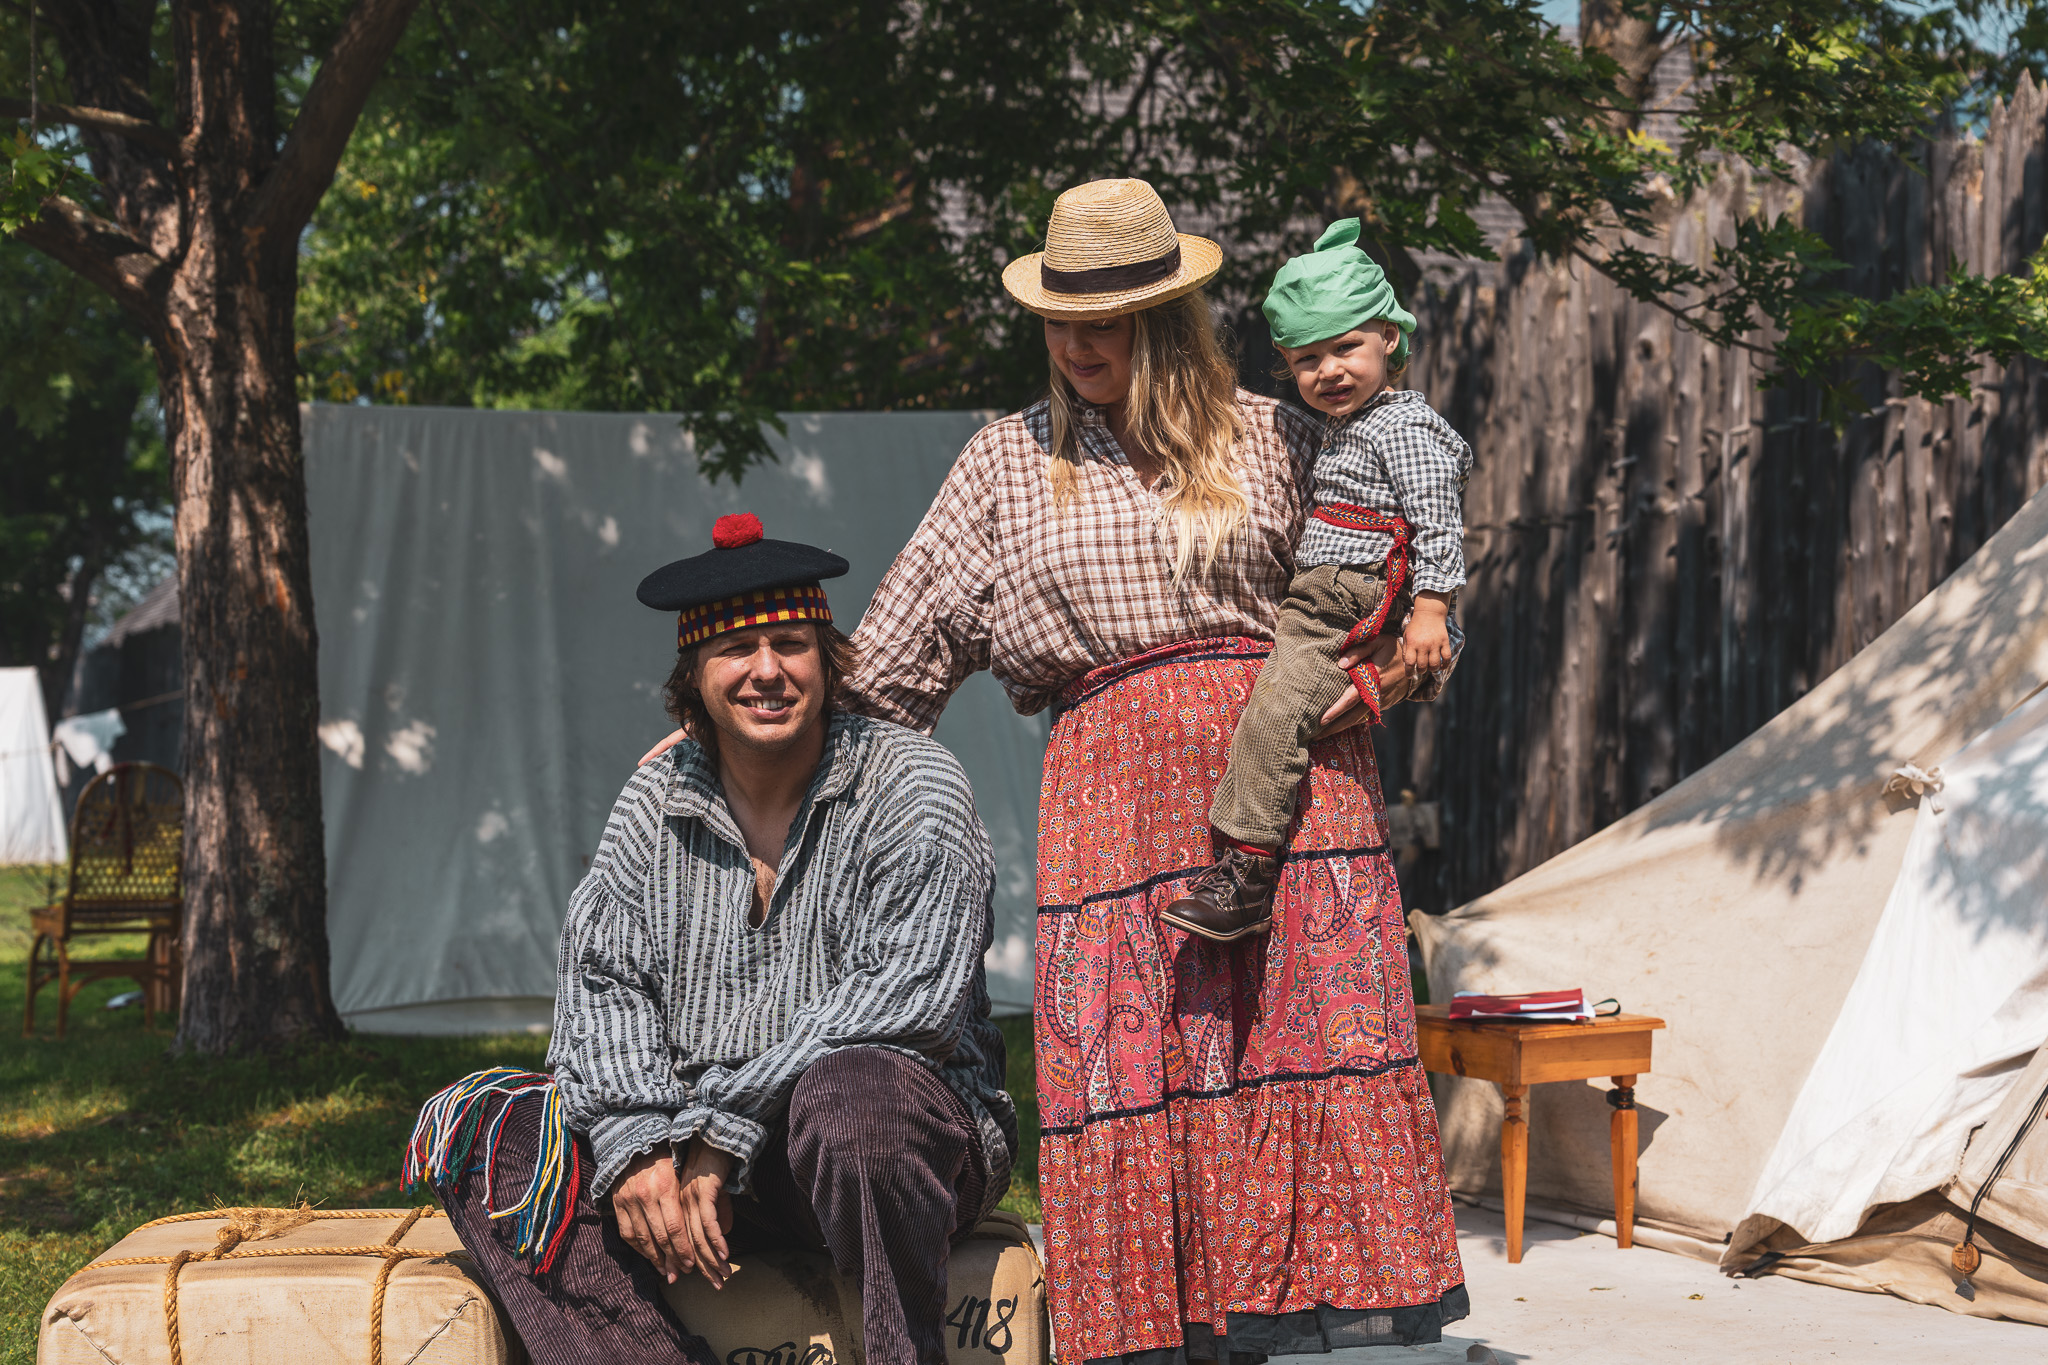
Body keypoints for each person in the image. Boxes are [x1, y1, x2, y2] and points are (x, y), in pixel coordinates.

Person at [840, 179, 1468, 1364]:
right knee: (1142, 1061)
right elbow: (891, 659)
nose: (1079, 343)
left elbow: (1404, 599)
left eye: (1109, 317)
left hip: (1297, 796)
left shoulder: (1282, 438)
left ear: (1169, 319)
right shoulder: (1004, 465)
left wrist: (1380, 679)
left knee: (1298, 1061)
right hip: (1112, 807)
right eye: (1061, 317)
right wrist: (735, 737)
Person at [407, 512, 1017, 1365]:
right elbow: (600, 985)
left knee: (857, 1099)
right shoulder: (653, 800)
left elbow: (909, 1003)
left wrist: (725, 1125)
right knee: (485, 1134)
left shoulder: (913, 781)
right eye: (737, 649)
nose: (767, 670)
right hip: (693, 1158)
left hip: (871, 1150)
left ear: (827, 660)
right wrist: (634, 1143)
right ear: (695, 676)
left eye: (791, 643)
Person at [1162, 218, 1474, 943]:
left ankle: (1246, 872)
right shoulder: (1348, 427)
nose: (1328, 371)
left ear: (1389, 338)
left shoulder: (1402, 427)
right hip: (1325, 595)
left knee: (1277, 711)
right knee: (1282, 707)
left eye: (1346, 348)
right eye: (1308, 359)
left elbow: (1438, 519)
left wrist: (1429, 610)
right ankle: (1243, 861)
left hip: (1348, 600)